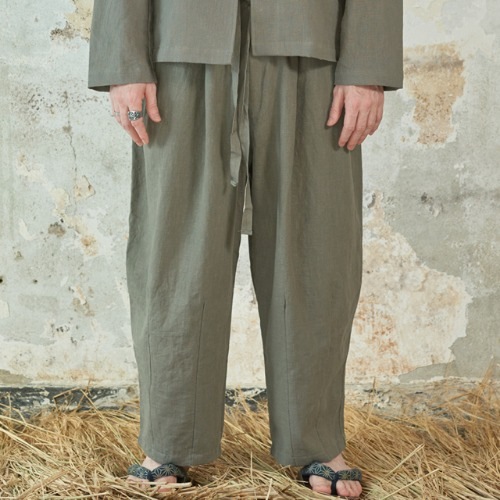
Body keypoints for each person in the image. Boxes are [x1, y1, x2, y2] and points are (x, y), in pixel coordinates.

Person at [88, 0, 403, 497]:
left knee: (317, 249)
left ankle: (316, 439)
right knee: (174, 256)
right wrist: (124, 59)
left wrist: (367, 62)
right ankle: (169, 440)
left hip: (311, 43)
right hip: (181, 44)